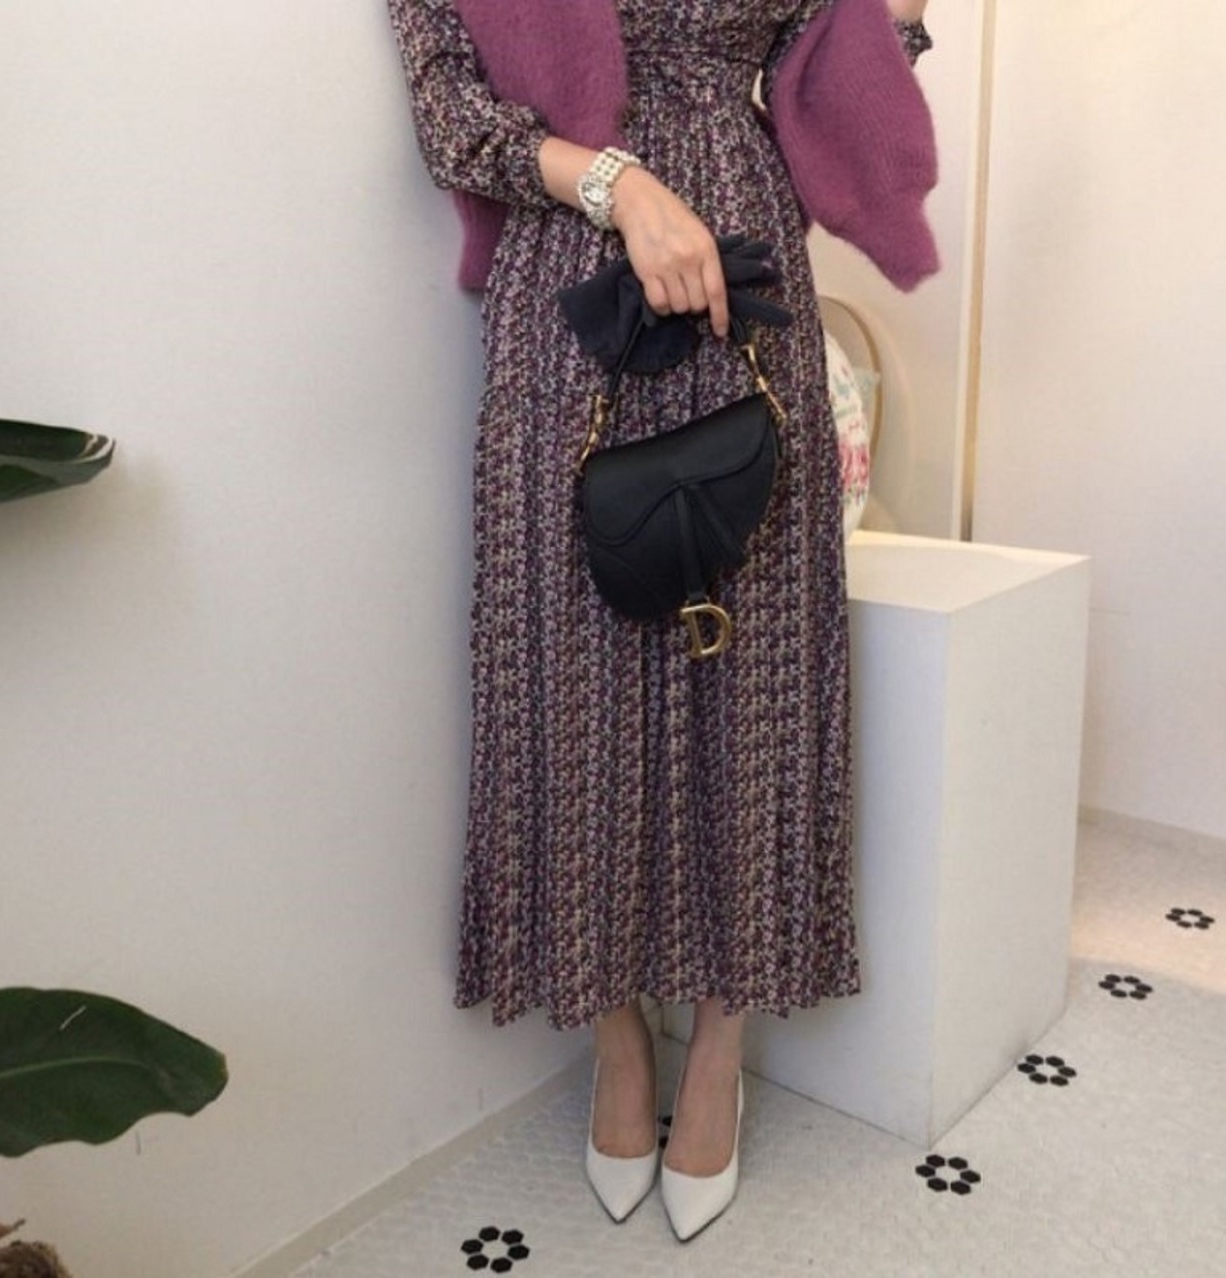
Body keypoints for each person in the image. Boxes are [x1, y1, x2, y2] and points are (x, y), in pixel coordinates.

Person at [387, 0, 937, 1241]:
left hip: (743, 271)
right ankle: (618, 1041)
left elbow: (832, 87)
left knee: (756, 660)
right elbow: (448, 107)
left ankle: (719, 1050)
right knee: (568, 667)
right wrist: (619, 186)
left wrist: (897, 21)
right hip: (568, 283)